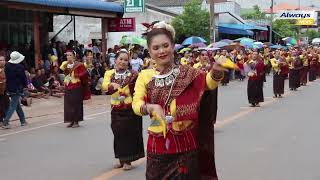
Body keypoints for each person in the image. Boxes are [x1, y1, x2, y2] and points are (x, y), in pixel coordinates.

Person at [132, 21, 225, 179]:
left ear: (173, 46)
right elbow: (136, 104)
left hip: (186, 143)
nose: (161, 51)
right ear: (149, 51)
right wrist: (151, 108)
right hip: (158, 144)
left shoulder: (188, 72)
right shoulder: (145, 76)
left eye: (165, 45)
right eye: (156, 48)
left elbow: (208, 83)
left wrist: (216, 70)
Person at [102, 49, 145, 171]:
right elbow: (104, 86)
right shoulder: (109, 73)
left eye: (126, 60)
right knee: (118, 134)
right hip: (115, 109)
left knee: (129, 134)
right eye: (120, 59)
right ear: (115, 60)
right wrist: (112, 85)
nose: (123, 62)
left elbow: (138, 90)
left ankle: (128, 161)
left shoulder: (133, 74)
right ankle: (121, 159)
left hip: (129, 108)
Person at [60, 50, 91, 128]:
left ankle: (76, 121)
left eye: (70, 55)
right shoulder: (65, 64)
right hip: (68, 85)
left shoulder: (78, 64)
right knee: (68, 104)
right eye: (67, 55)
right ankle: (71, 120)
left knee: (76, 104)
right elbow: (62, 70)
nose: (68, 57)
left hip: (76, 86)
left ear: (74, 56)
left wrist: (88, 60)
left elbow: (86, 65)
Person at [2, 51, 28, 129]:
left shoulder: (7, 66)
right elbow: (23, 78)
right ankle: (5, 122)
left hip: (9, 87)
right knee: (13, 106)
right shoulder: (20, 67)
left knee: (17, 105)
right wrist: (25, 85)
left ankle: (23, 120)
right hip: (17, 88)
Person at [0, 55, 9, 126]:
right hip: (0, 91)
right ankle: (1, 120)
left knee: (7, 104)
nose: (2, 62)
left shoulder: (7, 69)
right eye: (0, 60)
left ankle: (5, 119)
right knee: (1, 105)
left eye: (3, 60)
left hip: (6, 90)